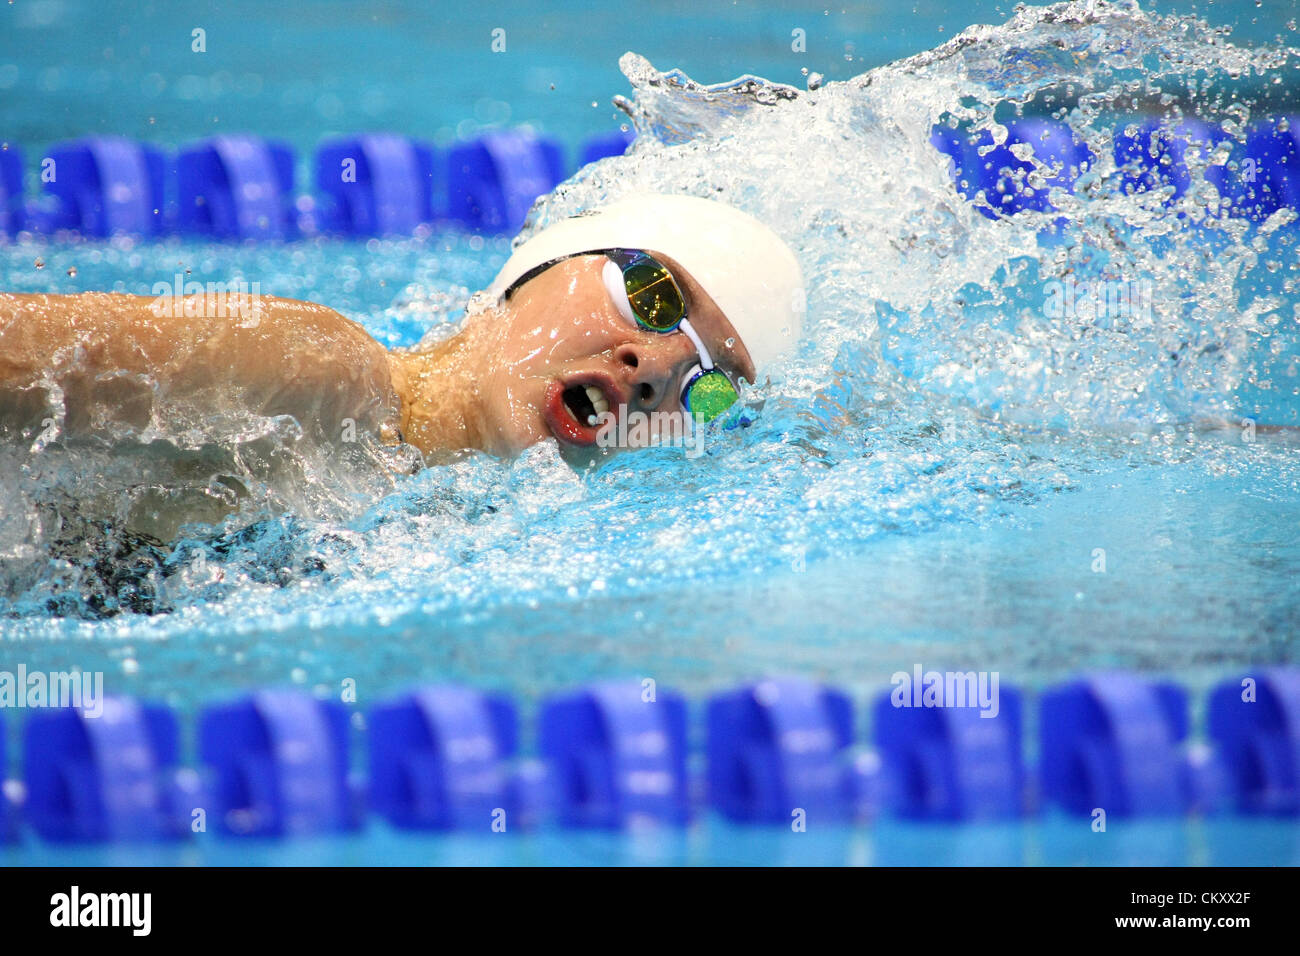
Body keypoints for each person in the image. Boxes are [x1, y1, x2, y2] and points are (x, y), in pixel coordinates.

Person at [0, 194, 805, 465]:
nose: (658, 367)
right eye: (655, 296)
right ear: (532, 272)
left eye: (712, 386)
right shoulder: (316, 371)